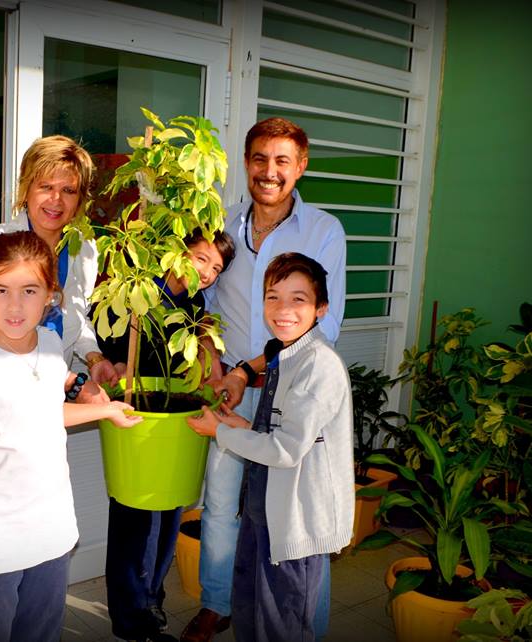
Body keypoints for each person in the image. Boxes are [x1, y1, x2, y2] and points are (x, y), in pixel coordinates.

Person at [181, 117, 346, 641]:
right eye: (258, 159)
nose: (268, 171)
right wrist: (209, 356)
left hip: (290, 394)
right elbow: (199, 303)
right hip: (231, 393)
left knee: (294, 518)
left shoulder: (324, 231)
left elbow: (329, 323)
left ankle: (304, 628)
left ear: (300, 167)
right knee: (222, 503)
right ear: (246, 163)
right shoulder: (223, 225)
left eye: (281, 161)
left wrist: (249, 368)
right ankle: (219, 602)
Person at [0, 231, 142, 642]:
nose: (14, 306)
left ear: (51, 294)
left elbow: (44, 414)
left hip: (53, 535)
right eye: (0, 289)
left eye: (29, 290)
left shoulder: (49, 345)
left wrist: (104, 409)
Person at [98, 229, 235, 642]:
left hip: (172, 418)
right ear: (179, 252)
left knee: (169, 513)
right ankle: (131, 618)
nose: (208, 273)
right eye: (201, 259)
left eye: (216, 268)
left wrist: (211, 350)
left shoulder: (193, 302)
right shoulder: (142, 288)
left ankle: (151, 601)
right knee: (134, 519)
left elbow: (196, 342)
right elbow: (111, 340)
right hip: (137, 413)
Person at [0, 135, 117, 398]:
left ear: (80, 199)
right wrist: (70, 383)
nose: (56, 200)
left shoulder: (84, 248)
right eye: (45, 187)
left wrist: (94, 357)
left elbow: (77, 313)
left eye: (68, 190)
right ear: (26, 189)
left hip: (54, 386)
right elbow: (0, 327)